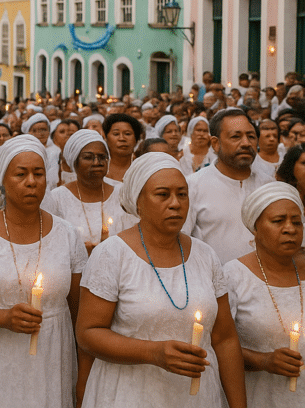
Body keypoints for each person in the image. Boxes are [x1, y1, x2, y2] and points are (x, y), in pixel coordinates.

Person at [76, 153, 247, 408]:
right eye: (163, 194)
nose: (175, 203)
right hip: (129, 394)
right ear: (138, 202)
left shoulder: (205, 255)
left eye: (182, 194)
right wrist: (153, 352)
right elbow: (88, 333)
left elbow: (224, 338)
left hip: (195, 396)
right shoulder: (112, 254)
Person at [0, 134, 87, 408]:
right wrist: (3, 317)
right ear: (3, 180)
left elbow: (78, 313)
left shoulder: (67, 235)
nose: (31, 182)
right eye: (20, 174)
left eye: (38, 173)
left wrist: (83, 374)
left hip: (51, 358)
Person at [225, 183, 305, 407]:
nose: (290, 229)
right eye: (278, 221)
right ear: (255, 227)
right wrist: (263, 360)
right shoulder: (233, 276)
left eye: (297, 222)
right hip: (258, 398)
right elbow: (217, 343)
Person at [185, 109, 272, 263]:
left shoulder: (269, 186)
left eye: (251, 136)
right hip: (213, 284)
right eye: (235, 137)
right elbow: (181, 243)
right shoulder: (193, 186)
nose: (246, 143)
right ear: (215, 144)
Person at [46, 130, 134, 254]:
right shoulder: (57, 198)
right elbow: (51, 245)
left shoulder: (123, 193)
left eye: (102, 157)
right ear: (74, 162)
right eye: (88, 157)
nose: (97, 163)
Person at [104, 113, 143, 183]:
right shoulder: (98, 167)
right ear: (106, 138)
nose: (122, 138)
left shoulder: (142, 169)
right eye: (116, 134)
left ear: (136, 140)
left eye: (127, 134)